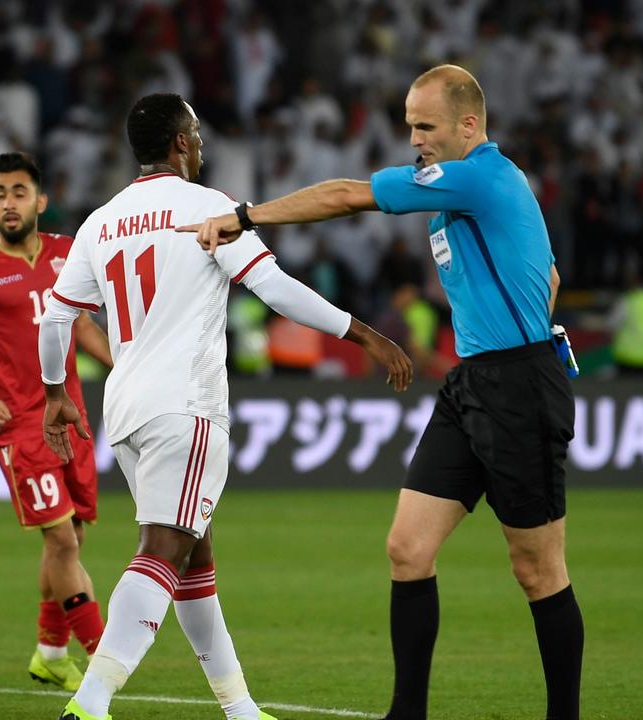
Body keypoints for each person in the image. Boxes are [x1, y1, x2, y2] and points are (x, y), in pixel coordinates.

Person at [185, 65, 584, 720]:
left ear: (468, 125)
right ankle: (407, 713)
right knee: (407, 549)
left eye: (425, 127)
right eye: (409, 126)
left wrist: (245, 217)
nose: (415, 138)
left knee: (538, 569)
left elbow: (345, 194)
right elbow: (551, 274)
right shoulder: (470, 194)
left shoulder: (481, 175)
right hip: (474, 381)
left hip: (517, 387)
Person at [39, 93, 411, 720]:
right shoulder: (209, 209)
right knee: (165, 548)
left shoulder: (100, 221)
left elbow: (55, 317)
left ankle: (239, 709)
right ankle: (91, 700)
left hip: (126, 410)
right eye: (198, 133)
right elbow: (273, 288)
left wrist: (55, 394)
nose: (203, 144)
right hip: (186, 405)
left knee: (193, 557)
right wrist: (364, 334)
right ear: (180, 143)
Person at [0, 152, 113, 692]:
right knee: (61, 542)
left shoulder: (66, 253)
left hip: (70, 416)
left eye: (19, 192)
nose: (9, 202)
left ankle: (51, 652)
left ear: (41, 201)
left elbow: (80, 322)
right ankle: (103, 656)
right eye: (0, 194)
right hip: (21, 428)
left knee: (71, 537)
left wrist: (123, 367)